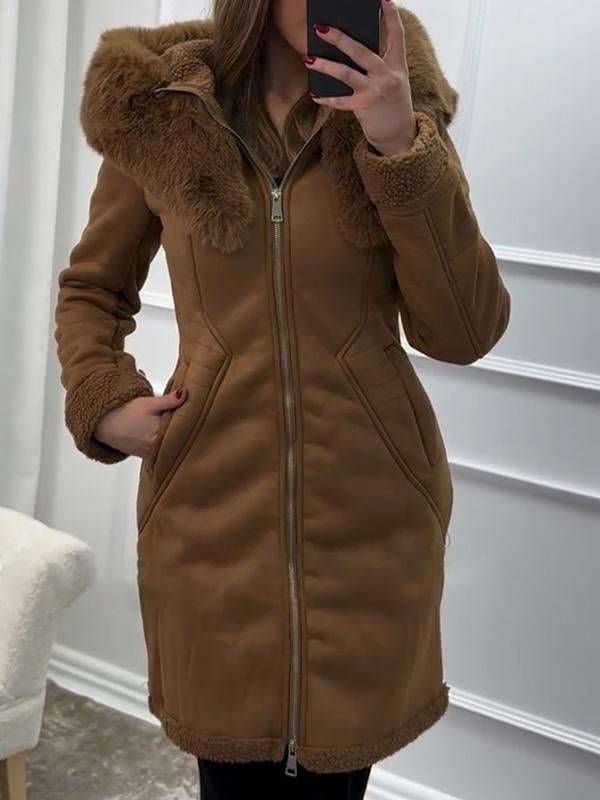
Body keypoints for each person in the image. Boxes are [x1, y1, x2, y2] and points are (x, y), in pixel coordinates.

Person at [53, 0, 511, 797]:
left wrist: (397, 144)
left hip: (369, 524)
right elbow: (92, 289)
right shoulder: (162, 107)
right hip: (210, 519)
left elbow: (465, 330)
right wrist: (103, 396)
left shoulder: (400, 108)